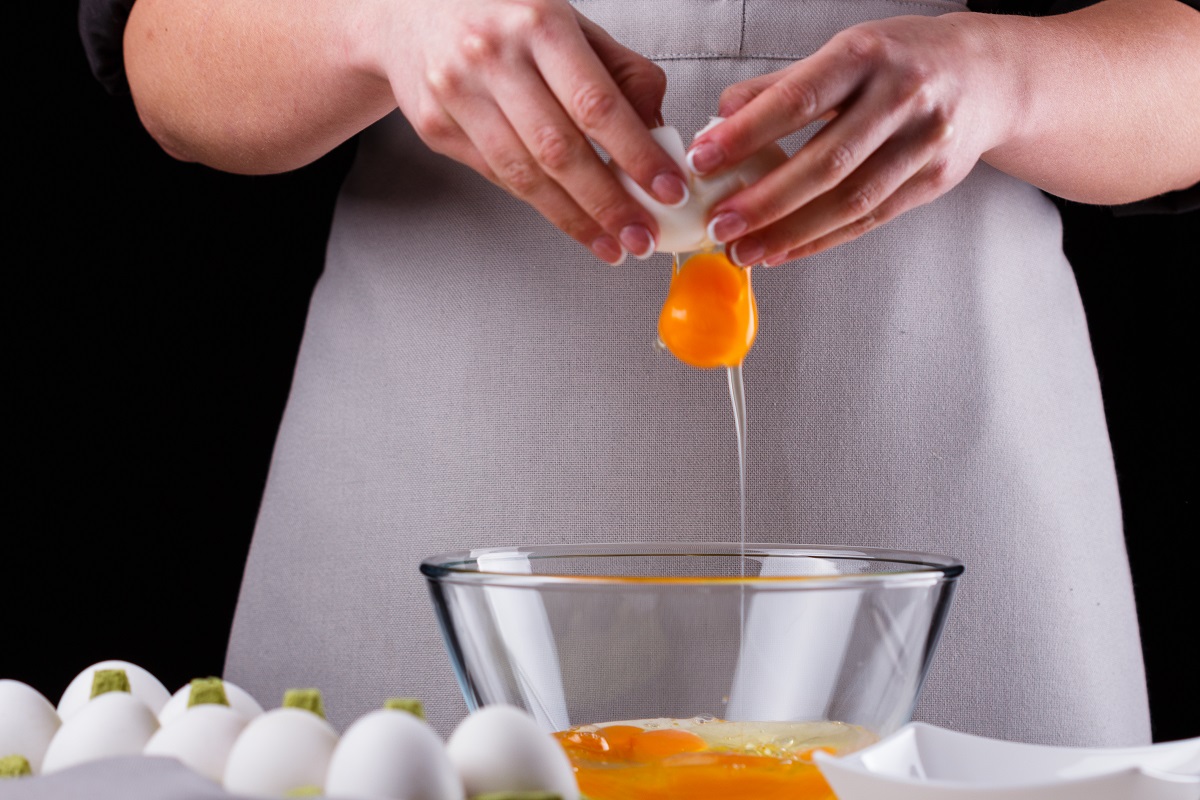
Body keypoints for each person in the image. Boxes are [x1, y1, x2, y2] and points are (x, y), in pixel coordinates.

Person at [81, 0, 1198, 751]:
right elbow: (162, 57)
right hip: (433, 481)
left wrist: (1008, 73)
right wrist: (377, 20)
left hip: (954, 481)